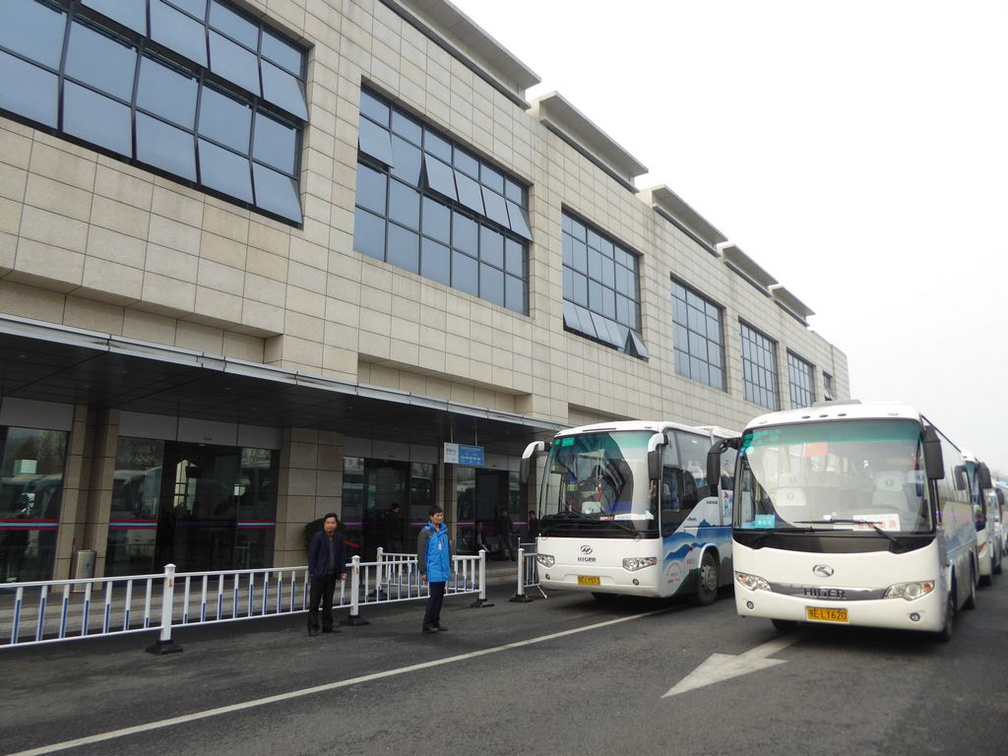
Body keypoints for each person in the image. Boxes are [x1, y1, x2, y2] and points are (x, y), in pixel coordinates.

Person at [307, 513, 347, 636]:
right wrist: (313, 571)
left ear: (336, 524)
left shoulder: (338, 537)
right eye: (328, 522)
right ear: (324, 524)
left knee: (328, 602)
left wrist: (342, 571)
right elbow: (312, 555)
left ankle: (327, 625)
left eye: (333, 523)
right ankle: (313, 627)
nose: (330, 525)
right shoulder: (318, 536)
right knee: (314, 602)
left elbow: (341, 556)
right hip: (319, 574)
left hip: (331, 575)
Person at [417, 505, 451, 633]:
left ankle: (435, 621)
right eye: (437, 515)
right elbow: (421, 553)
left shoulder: (444, 532)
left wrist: (449, 565)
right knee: (435, 596)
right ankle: (427, 622)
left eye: (441, 515)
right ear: (431, 517)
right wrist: (423, 571)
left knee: (440, 596)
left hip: (443, 569)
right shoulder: (426, 532)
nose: (440, 517)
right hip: (433, 569)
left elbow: (448, 551)